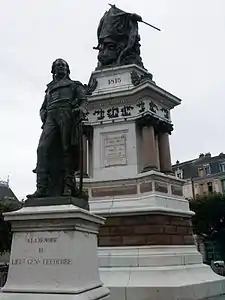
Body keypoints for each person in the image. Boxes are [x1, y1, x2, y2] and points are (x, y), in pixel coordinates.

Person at [27, 58, 87, 198]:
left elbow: (84, 100)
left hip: (66, 114)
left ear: (67, 69)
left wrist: (81, 109)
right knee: (42, 148)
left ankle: (68, 186)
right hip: (51, 117)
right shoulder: (49, 89)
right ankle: (41, 187)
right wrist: (44, 115)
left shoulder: (74, 85)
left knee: (66, 149)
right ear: (53, 70)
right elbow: (43, 107)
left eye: (63, 65)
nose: (61, 67)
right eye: (58, 65)